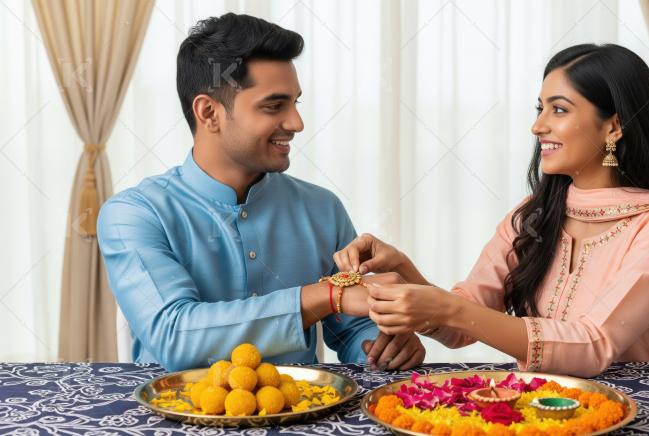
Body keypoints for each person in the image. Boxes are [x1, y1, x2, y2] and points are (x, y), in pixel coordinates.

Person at [335, 44, 649, 377]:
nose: (537, 126)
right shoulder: (534, 215)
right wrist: (402, 268)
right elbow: (460, 327)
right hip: (534, 411)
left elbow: (594, 344)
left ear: (613, 127)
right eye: (540, 108)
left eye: (559, 110)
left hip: (632, 413)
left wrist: (448, 309)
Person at [97, 13, 424, 371]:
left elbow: (352, 328)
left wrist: (384, 347)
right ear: (209, 113)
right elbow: (174, 334)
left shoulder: (322, 209)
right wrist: (326, 295)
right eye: (274, 106)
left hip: (305, 406)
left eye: (295, 103)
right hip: (176, 406)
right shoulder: (134, 215)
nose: (297, 123)